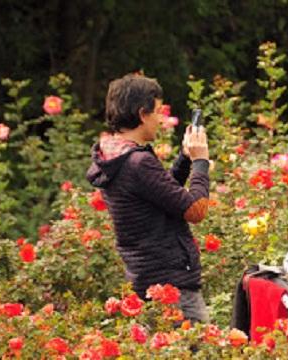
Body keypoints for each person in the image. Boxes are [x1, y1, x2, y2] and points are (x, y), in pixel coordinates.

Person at [86, 74, 211, 323]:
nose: (161, 119)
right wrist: (200, 161)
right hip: (171, 285)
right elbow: (196, 210)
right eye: (157, 111)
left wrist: (185, 159)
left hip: (146, 280)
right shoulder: (137, 162)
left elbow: (163, 196)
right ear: (143, 114)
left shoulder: (116, 157)